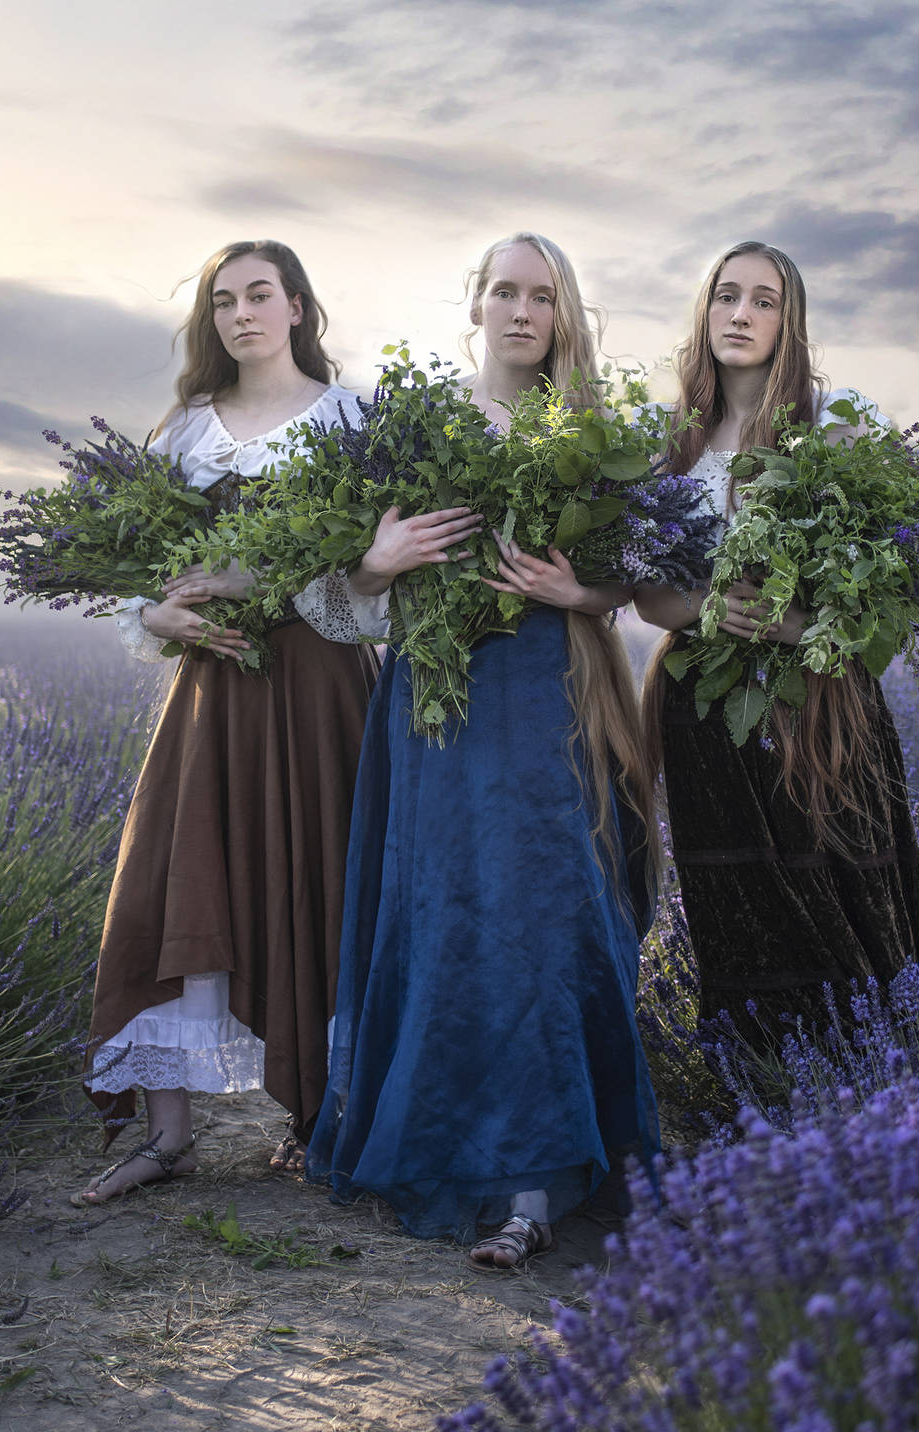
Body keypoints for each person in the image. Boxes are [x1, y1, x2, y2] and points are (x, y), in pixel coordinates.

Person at [308, 232, 661, 1270]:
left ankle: (531, 1183)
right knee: (447, 916)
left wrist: (577, 590)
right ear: (474, 304)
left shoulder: (592, 435)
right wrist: (378, 560)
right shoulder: (410, 425)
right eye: (503, 291)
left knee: (540, 917)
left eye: (541, 296)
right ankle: (444, 1141)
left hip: (549, 697)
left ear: (562, 315)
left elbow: (641, 574)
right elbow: (334, 590)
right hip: (435, 706)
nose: (520, 310)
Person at [73, 240, 384, 1204]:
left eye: (259, 295)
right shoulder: (184, 432)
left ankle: (319, 1119)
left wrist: (268, 582)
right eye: (223, 301)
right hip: (212, 691)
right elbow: (136, 568)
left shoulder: (350, 419)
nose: (241, 313)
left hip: (320, 682)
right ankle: (168, 1137)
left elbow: (373, 574)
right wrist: (155, 615)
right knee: (169, 884)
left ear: (297, 308)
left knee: (320, 880)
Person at [632, 241, 919, 1059]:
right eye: (726, 296)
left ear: (788, 321)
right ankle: (765, 1079)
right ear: (704, 311)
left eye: (763, 301)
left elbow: (895, 590)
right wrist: (712, 607)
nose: (741, 314)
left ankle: (882, 1076)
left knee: (848, 891)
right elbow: (647, 597)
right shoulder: (672, 444)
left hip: (821, 705)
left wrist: (797, 627)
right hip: (706, 713)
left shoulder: (837, 424)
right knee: (741, 903)